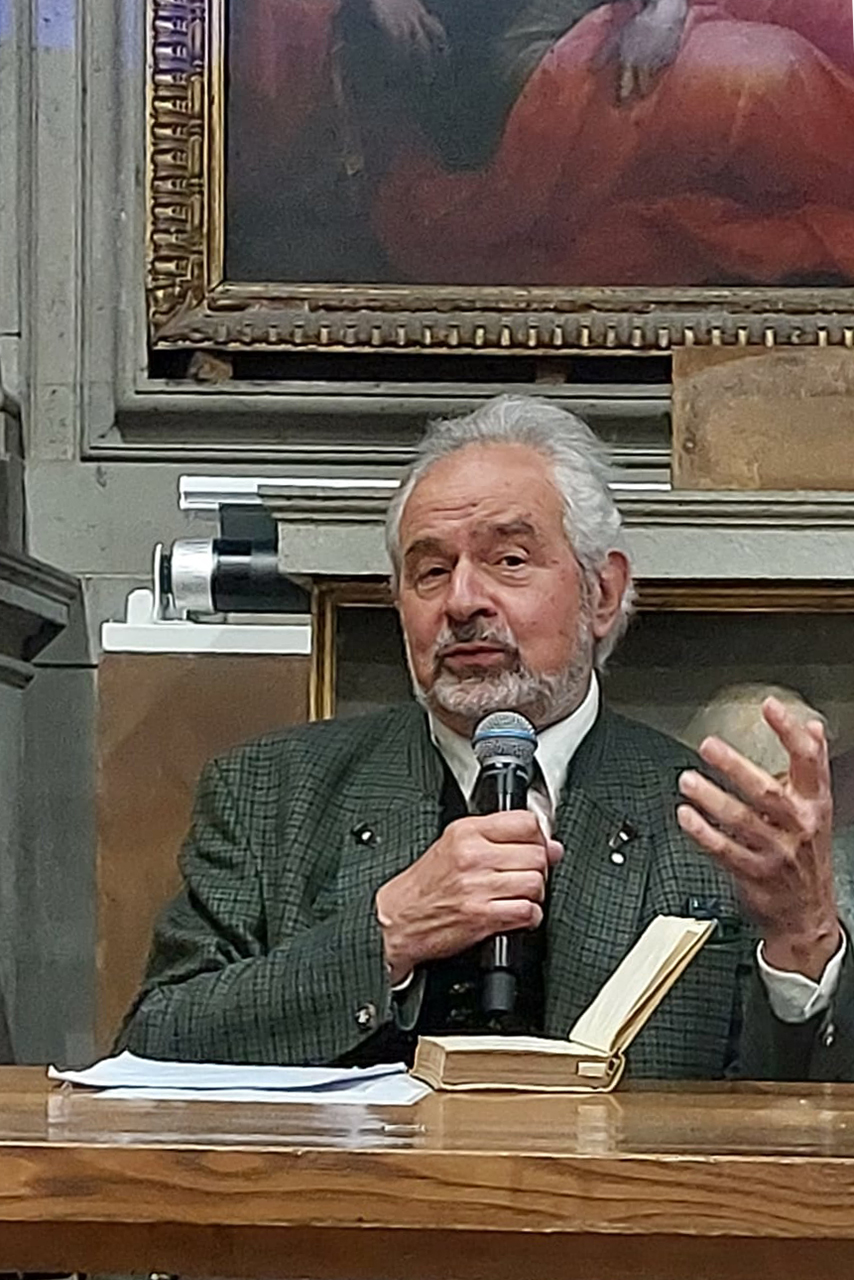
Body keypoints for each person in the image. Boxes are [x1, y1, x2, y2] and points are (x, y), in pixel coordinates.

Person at [120, 395, 852, 1079]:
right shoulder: (271, 792)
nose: (463, 600)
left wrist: (804, 940)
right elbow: (156, 1042)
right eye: (431, 571)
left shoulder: (722, 828)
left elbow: (799, 1111)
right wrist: (386, 936)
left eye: (509, 561)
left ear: (600, 593)